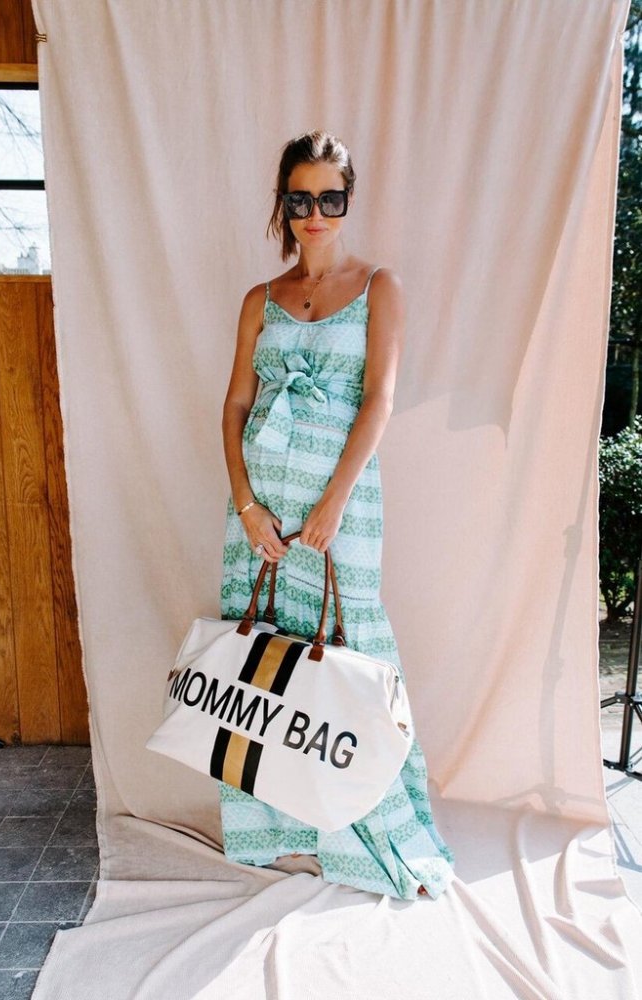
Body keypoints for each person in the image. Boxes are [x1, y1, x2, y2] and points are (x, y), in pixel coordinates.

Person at [219, 129, 455, 900]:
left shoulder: (379, 286)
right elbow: (234, 405)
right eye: (300, 199)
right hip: (259, 513)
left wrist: (333, 503)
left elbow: (378, 400)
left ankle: (364, 834)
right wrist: (247, 505)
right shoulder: (259, 300)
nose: (315, 213)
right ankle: (279, 831)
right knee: (266, 664)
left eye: (330, 197)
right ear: (282, 204)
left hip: (339, 509)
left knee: (346, 658)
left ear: (347, 201)